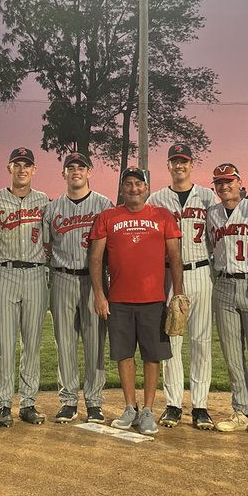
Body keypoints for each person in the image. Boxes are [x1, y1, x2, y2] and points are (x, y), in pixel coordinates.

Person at [89, 167, 184, 435]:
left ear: (146, 188)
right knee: (124, 355)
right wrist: (99, 293)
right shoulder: (108, 216)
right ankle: (130, 406)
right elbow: (96, 258)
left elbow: (175, 257)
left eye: (138, 184)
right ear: (122, 188)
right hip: (118, 299)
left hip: (153, 299)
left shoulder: (162, 216)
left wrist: (178, 292)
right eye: (128, 183)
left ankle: (148, 411)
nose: (133, 188)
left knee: (152, 357)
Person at [146, 143, 217, 431]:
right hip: (167, 276)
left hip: (200, 270)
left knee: (201, 342)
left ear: (191, 164)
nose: (179, 166)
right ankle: (173, 404)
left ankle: (200, 405)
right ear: (168, 166)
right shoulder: (157, 198)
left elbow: (216, 236)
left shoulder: (208, 197)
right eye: (174, 161)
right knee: (170, 341)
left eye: (184, 161)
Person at [43, 151, 112, 423]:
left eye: (80, 167)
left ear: (89, 172)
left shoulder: (103, 205)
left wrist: (104, 288)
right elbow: (46, 246)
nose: (75, 171)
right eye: (70, 167)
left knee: (95, 342)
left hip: (92, 280)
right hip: (61, 278)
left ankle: (94, 402)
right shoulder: (52, 208)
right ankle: (68, 400)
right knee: (65, 342)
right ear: (64, 174)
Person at [206, 162, 248, 433]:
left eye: (229, 181)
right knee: (232, 355)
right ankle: (241, 411)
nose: (224, 186)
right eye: (219, 182)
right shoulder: (212, 214)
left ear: (239, 182)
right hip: (223, 285)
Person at [0, 147, 49, 426]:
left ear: (34, 170)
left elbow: (50, 238)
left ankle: (28, 403)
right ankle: (3, 404)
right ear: (9, 168)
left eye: (27, 165)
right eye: (17, 165)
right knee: (3, 345)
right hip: (6, 271)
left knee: (31, 345)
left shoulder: (44, 200)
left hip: (36, 274)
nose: (22, 169)